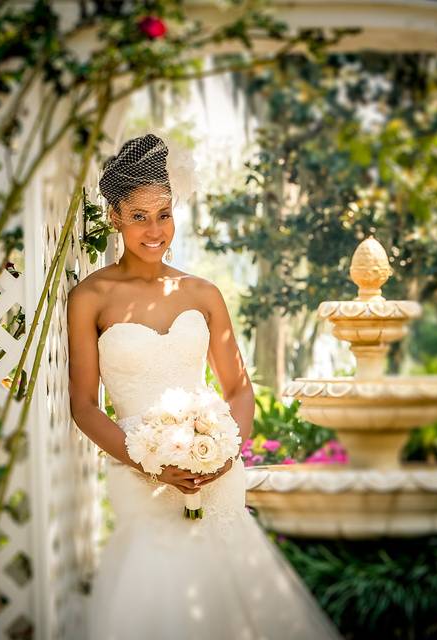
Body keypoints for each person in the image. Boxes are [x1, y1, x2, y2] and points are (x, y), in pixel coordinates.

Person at [66, 134, 343, 640]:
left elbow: (238, 388)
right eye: (139, 216)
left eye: (164, 214)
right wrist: (151, 462)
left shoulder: (203, 293)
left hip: (215, 475)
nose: (155, 230)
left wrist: (222, 453)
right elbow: (84, 406)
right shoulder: (91, 297)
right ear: (115, 216)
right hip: (139, 476)